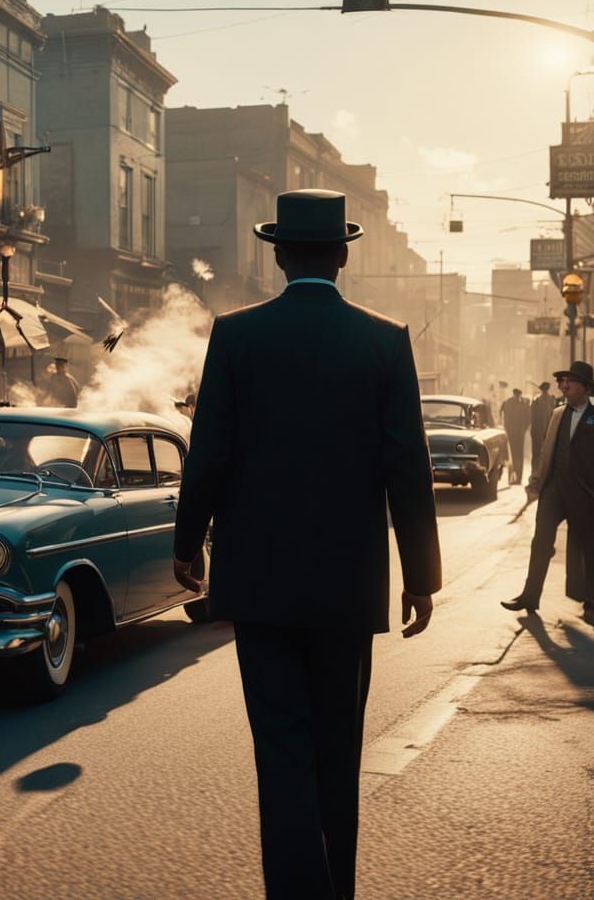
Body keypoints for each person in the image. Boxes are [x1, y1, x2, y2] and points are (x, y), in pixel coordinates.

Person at [173, 190, 441, 900]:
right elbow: (407, 466)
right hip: (347, 586)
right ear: (343, 257)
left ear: (280, 257)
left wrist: (187, 543)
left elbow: (209, 454)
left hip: (259, 583)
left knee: (281, 753)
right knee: (336, 754)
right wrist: (421, 577)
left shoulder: (236, 336)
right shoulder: (385, 340)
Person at [501, 360, 594, 624]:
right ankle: (530, 596)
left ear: (586, 388)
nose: (563, 386)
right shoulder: (557, 413)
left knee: (587, 546)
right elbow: (546, 450)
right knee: (540, 541)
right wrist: (536, 481)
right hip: (554, 488)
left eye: (570, 382)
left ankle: (590, 600)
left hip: (583, 492)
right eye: (562, 381)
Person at [499, 387, 530, 484]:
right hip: (517, 433)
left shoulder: (508, 403)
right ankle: (516, 478)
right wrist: (523, 430)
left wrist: (507, 428)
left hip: (514, 433)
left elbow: (503, 416)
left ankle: (513, 479)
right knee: (517, 455)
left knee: (513, 455)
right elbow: (528, 418)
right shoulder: (522, 404)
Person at [530, 381, 557, 470]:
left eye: (546, 389)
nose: (545, 391)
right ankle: (535, 472)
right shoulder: (536, 400)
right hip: (538, 430)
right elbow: (532, 417)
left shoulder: (551, 400)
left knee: (547, 454)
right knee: (536, 453)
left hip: (549, 430)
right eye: (544, 389)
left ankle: (542, 472)